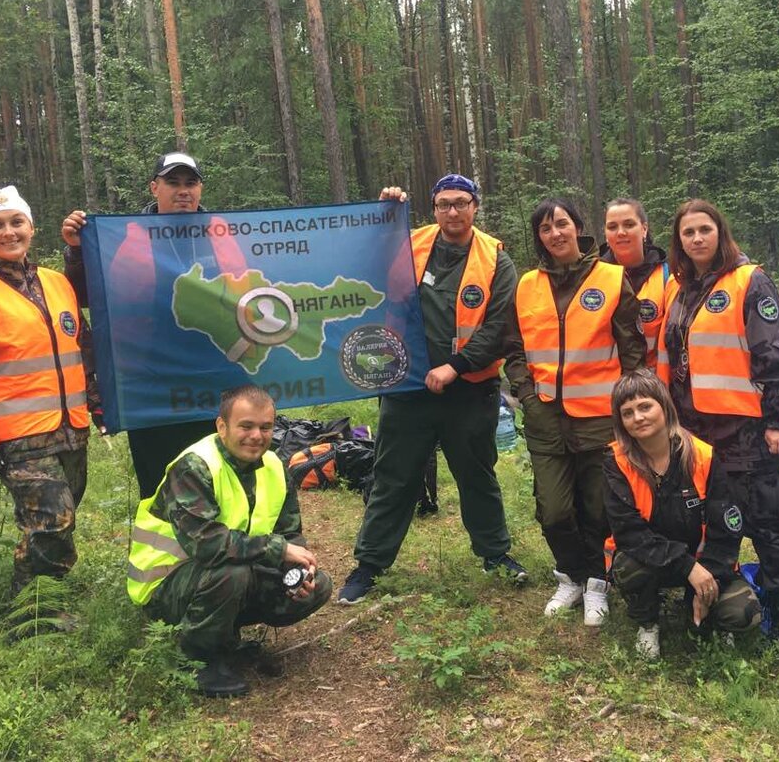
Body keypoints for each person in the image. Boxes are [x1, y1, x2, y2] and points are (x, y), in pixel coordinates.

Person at [338, 175, 526, 604]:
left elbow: (498, 327)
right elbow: (365, 258)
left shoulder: (497, 259)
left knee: (477, 476)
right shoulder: (412, 243)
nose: (453, 212)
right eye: (444, 204)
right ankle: (369, 565)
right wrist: (384, 212)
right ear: (433, 208)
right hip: (406, 387)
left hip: (469, 390)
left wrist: (456, 367)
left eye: (462, 203)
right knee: (393, 476)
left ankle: (496, 556)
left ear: (476, 206)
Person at [0, 186, 100, 598]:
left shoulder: (57, 283)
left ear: (31, 227)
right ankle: (39, 615)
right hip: (16, 434)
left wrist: (96, 403)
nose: (8, 232)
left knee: (52, 520)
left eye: (16, 222)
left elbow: (82, 347)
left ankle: (29, 597)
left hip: (69, 427)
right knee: (53, 521)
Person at [60, 152, 247, 499]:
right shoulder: (125, 236)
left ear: (201, 188)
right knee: (162, 486)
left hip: (219, 381)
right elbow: (87, 298)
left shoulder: (223, 233)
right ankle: (166, 554)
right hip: (152, 383)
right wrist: (75, 251)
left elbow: (254, 290)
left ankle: (226, 551)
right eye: (172, 183)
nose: (183, 191)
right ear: (154, 187)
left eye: (190, 183)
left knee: (226, 481)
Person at [127, 384, 332, 697]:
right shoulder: (195, 465)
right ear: (222, 426)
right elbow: (206, 545)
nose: (256, 436)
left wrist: (300, 572)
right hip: (166, 583)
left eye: (266, 427)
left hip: (227, 569)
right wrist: (277, 550)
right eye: (245, 426)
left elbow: (290, 533)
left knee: (319, 585)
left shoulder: (275, 466)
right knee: (230, 572)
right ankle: (196, 660)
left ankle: (225, 637)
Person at [658, 199, 779, 640]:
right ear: (679, 241)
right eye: (688, 233)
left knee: (768, 523)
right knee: (708, 520)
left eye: (705, 229)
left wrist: (777, 419)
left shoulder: (749, 280)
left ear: (720, 232)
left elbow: (777, 353)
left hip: (746, 431)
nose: (697, 238)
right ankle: (711, 604)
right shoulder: (678, 288)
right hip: (695, 432)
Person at [505, 197, 645, 626]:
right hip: (546, 415)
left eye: (561, 224)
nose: (555, 234)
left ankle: (598, 584)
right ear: (539, 238)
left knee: (599, 507)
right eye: (546, 229)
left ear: (578, 228)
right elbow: (515, 349)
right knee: (554, 509)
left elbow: (632, 351)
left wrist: (628, 406)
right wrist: (527, 395)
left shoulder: (611, 278)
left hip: (601, 416)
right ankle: (570, 575)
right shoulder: (527, 284)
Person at [605, 369, 761, 659]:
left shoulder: (703, 457)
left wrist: (708, 575)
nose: (638, 417)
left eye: (645, 406)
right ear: (621, 422)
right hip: (653, 561)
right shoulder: (617, 463)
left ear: (664, 407)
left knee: (744, 614)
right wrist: (688, 567)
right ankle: (647, 621)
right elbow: (629, 533)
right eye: (627, 413)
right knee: (628, 566)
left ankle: (702, 607)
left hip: (704, 563)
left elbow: (727, 529)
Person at [601, 198, 669, 368]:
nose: (621, 232)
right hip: (605, 385)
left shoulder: (668, 276)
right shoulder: (592, 276)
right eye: (612, 227)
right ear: (605, 234)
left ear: (644, 229)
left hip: (655, 385)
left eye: (629, 225)